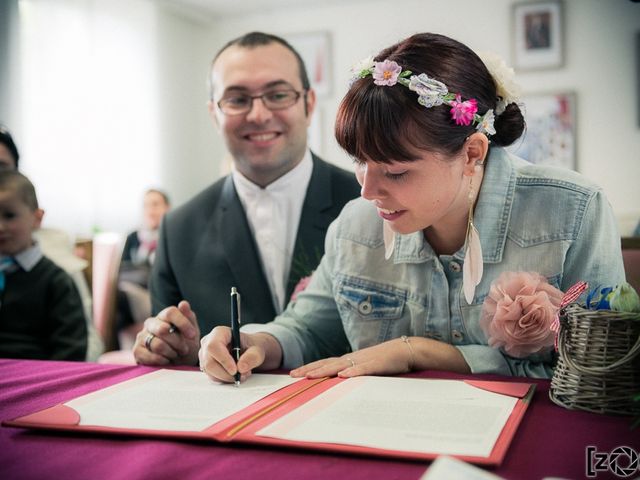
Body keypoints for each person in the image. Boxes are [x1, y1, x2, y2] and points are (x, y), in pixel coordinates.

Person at [198, 32, 625, 382]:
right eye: (360, 163)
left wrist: (420, 352)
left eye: (396, 172)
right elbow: (309, 329)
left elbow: (601, 372)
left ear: (473, 152)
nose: (367, 191)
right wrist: (258, 344)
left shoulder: (572, 212)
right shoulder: (355, 227)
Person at [132, 32, 360, 366]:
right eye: (238, 99)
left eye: (278, 94)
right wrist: (162, 347)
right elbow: (172, 342)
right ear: (214, 113)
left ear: (309, 104)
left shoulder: (369, 202)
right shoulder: (179, 228)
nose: (258, 114)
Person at [0, 170, 87, 360]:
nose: (0, 227)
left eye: (9, 215)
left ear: (37, 218)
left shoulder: (56, 281)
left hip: (37, 375)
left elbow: (71, 350)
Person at [115, 188, 170, 349]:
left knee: (118, 298)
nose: (150, 210)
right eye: (146, 205)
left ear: (167, 208)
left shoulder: (170, 236)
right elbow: (120, 269)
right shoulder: (133, 237)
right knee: (116, 296)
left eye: (155, 205)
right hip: (128, 291)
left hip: (152, 296)